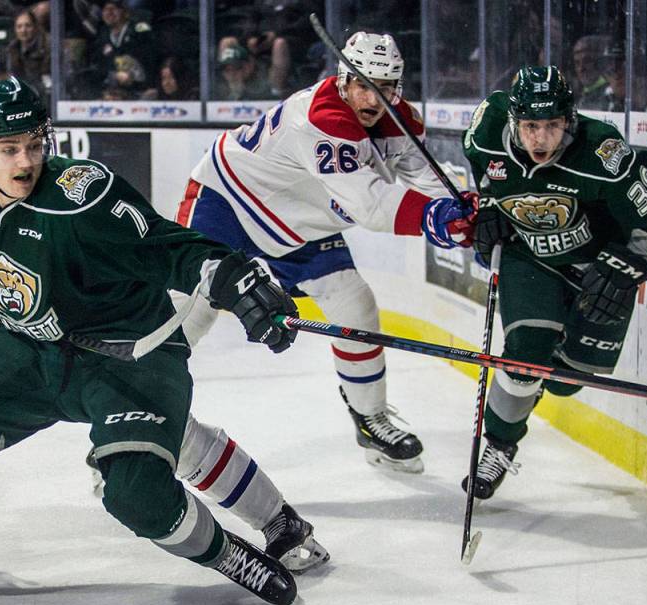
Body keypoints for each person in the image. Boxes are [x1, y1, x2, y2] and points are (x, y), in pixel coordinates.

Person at [0, 76, 316, 605]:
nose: (25, 162)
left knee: (139, 492)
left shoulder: (85, 193)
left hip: (125, 356)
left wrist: (239, 281)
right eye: (9, 149)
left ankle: (232, 552)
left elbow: (173, 249)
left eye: (33, 144)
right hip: (32, 349)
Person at [176, 31, 475, 474]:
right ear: (343, 79)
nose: (376, 98)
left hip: (298, 223)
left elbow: (432, 185)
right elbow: (370, 204)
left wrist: (467, 213)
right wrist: (437, 221)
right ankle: (139, 424)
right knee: (185, 315)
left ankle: (369, 418)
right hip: (230, 202)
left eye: (388, 86)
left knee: (355, 304)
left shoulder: (401, 121)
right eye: (365, 85)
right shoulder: (323, 117)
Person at [456, 65, 647, 499]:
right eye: (530, 126)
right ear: (513, 121)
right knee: (525, 352)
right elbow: (488, 177)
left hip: (596, 270)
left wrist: (630, 260)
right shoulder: (486, 130)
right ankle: (500, 445)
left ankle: (544, 378)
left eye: (552, 125)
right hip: (530, 259)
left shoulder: (603, 154)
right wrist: (488, 206)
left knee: (566, 381)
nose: (540, 139)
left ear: (570, 119)